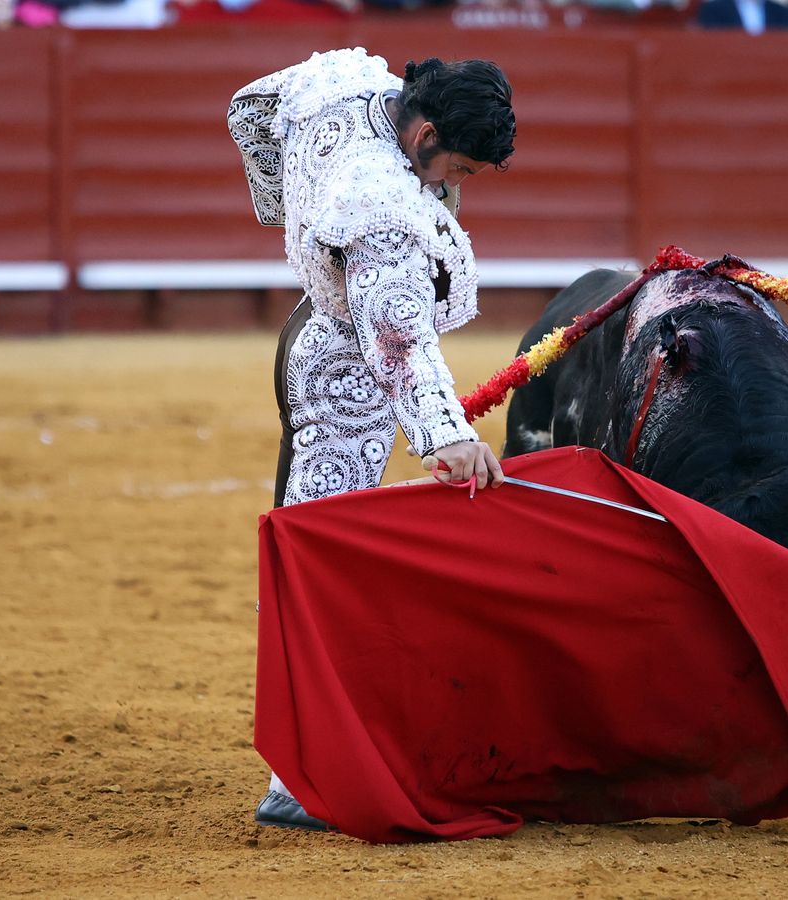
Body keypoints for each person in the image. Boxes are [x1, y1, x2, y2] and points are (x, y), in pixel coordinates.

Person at [227, 48, 516, 830]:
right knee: (324, 559)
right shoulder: (383, 206)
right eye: (456, 166)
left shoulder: (355, 87)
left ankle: (304, 757)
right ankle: (298, 778)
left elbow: (252, 106)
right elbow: (396, 336)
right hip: (346, 375)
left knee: (312, 545)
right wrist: (446, 436)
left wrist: (295, 220)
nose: (456, 186)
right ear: (423, 132)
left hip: (313, 334)